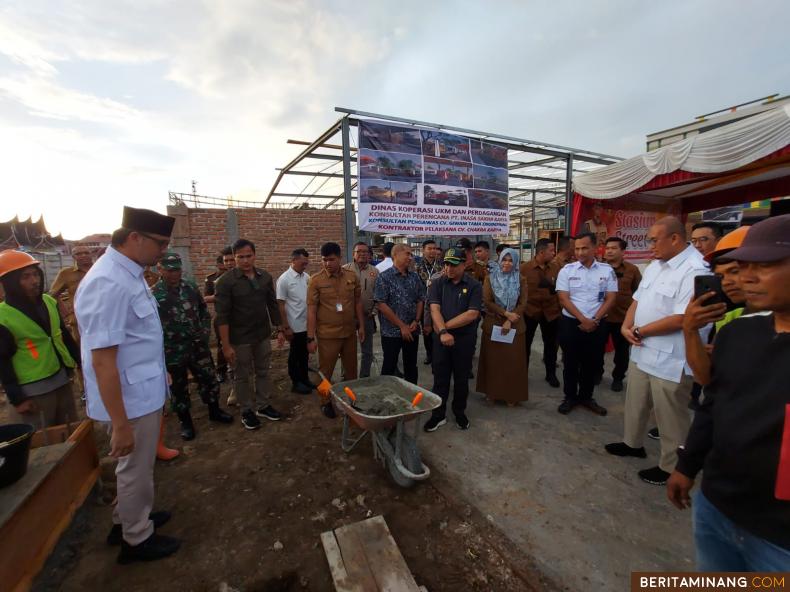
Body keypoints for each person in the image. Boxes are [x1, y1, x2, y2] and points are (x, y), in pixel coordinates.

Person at [667, 213, 790, 571]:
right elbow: (712, 402)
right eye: (741, 267)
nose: (746, 278)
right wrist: (687, 466)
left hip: (780, 540)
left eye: (764, 265)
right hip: (716, 507)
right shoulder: (738, 333)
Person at [74, 206, 180, 563]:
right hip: (129, 402)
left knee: (136, 468)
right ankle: (137, 540)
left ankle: (127, 520)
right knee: (135, 470)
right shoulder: (107, 282)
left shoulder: (128, 274)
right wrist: (119, 424)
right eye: (160, 243)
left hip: (140, 390)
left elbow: (135, 341)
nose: (163, 251)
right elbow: (102, 360)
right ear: (134, 238)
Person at [605, 216, 709, 486]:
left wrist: (640, 331)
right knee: (636, 402)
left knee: (670, 415)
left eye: (654, 240)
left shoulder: (695, 269)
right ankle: (632, 444)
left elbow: (682, 318)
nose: (649, 245)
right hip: (642, 350)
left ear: (674, 238)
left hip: (671, 358)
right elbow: (637, 300)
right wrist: (627, 327)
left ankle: (671, 467)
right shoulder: (655, 266)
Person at [153, 252, 233, 440]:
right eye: (169, 270)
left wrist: (204, 333)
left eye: (177, 270)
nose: (174, 274)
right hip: (173, 351)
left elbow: (204, 312)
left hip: (198, 347)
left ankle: (214, 410)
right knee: (178, 387)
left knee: (208, 378)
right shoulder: (154, 294)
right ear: (160, 269)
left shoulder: (190, 287)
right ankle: (185, 421)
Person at [0, 250, 80, 429]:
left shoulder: (48, 302)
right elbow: (2, 361)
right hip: (33, 393)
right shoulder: (3, 316)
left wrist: (81, 363)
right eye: (25, 277)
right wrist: (17, 398)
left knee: (71, 433)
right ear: (11, 282)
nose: (34, 281)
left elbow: (64, 337)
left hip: (61, 381)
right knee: (42, 442)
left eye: (35, 274)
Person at [214, 239, 284, 431]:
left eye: (248, 256)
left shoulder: (265, 277)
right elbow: (222, 316)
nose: (245, 261)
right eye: (240, 257)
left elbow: (272, 304)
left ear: (254, 255)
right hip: (239, 339)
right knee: (242, 375)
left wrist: (279, 329)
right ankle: (246, 410)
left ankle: (263, 405)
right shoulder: (225, 282)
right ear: (234, 258)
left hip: (262, 335)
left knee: (263, 370)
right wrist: (226, 346)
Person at [556, 233, 617, 416]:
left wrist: (595, 320)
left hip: (597, 324)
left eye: (584, 248)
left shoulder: (607, 271)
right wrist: (583, 319)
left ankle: (586, 396)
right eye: (577, 248)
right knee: (570, 362)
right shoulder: (567, 270)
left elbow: (611, 297)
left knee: (592, 362)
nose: (580, 252)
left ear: (595, 248)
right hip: (571, 323)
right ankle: (569, 397)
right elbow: (563, 298)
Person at [423, 247, 482, 432]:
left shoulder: (474, 286)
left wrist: (444, 328)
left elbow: (472, 314)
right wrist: (442, 333)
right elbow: (434, 310)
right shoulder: (438, 284)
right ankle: (438, 415)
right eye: (446, 264)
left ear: (464, 264)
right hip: (441, 340)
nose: (448, 268)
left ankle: (459, 412)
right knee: (440, 378)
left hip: (463, 341)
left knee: (461, 379)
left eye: (454, 265)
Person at [307, 242, 365, 418]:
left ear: (340, 258)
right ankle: (325, 401)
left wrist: (361, 326)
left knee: (351, 371)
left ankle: (350, 401)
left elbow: (357, 302)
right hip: (327, 336)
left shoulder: (351, 276)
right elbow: (311, 310)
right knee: (326, 372)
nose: (327, 263)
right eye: (324, 260)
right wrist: (310, 338)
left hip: (349, 334)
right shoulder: (315, 280)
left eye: (331, 260)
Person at [477, 248, 529, 406]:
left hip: (515, 324)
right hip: (494, 322)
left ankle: (511, 395)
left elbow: (523, 303)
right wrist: (506, 314)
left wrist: (510, 319)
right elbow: (487, 301)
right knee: (493, 361)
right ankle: (492, 393)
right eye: (504, 259)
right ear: (499, 260)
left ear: (515, 262)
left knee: (513, 362)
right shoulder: (490, 278)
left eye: (510, 260)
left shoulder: (521, 279)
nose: (507, 263)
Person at [373, 244, 424, 384]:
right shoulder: (384, 277)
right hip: (391, 332)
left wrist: (416, 320)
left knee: (411, 366)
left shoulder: (414, 277)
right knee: (389, 366)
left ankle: (412, 396)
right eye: (407, 254)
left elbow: (420, 299)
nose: (410, 257)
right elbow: (381, 304)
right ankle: (386, 398)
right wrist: (402, 326)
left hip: (412, 330)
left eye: (411, 254)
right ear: (395, 255)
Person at [599, 237, 642, 391]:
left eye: (613, 248)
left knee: (622, 353)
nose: (609, 251)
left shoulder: (632, 270)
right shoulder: (598, 268)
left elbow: (639, 294)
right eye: (607, 248)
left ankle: (618, 378)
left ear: (623, 251)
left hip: (622, 319)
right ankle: (597, 374)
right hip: (600, 317)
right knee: (597, 349)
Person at [519, 238, 561, 388]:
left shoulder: (557, 268)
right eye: (551, 250)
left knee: (551, 345)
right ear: (541, 252)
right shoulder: (524, 268)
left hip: (551, 313)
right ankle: (521, 374)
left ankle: (551, 374)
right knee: (525, 345)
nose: (554, 253)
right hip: (530, 312)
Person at [276, 248, 313, 394]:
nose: (305, 265)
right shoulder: (284, 279)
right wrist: (285, 327)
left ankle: (305, 378)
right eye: (303, 263)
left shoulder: (306, 277)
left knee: (304, 354)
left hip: (306, 324)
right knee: (295, 355)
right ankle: (296, 382)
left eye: (306, 263)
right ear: (294, 260)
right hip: (294, 325)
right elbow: (280, 304)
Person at [343, 242, 379, 378]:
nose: (362, 254)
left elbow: (379, 295)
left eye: (365, 252)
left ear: (370, 255)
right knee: (347, 350)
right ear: (353, 254)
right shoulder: (344, 270)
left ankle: (364, 377)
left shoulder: (375, 272)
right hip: (349, 318)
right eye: (359, 251)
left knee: (367, 350)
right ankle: (346, 376)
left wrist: (374, 311)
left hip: (367, 316)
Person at [49, 244, 93, 341]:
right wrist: (68, 314)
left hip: (101, 317)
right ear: (73, 257)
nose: (83, 255)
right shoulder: (66, 273)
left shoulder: (99, 270)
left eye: (86, 253)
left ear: (91, 254)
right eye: (78, 254)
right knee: (81, 351)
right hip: (79, 320)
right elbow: (53, 295)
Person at [204, 246, 234, 384]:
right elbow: (206, 298)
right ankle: (221, 370)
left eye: (230, 261)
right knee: (223, 344)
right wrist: (221, 296)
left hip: (239, 315)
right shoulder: (212, 279)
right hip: (222, 316)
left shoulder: (238, 276)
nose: (225, 266)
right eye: (223, 263)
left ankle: (234, 369)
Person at [415, 239, 442, 365]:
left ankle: (439, 353)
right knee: (426, 329)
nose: (432, 251)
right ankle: (429, 354)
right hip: (423, 303)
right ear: (423, 250)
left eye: (434, 248)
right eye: (429, 248)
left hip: (439, 302)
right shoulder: (416, 266)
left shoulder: (442, 265)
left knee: (439, 327)